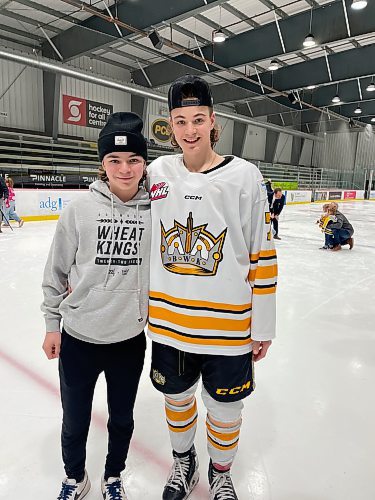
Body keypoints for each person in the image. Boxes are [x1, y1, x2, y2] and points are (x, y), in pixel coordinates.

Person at [147, 75, 277, 500]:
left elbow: (263, 254)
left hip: (228, 329)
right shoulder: (156, 173)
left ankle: (220, 472)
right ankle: (184, 464)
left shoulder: (245, 176)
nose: (189, 131)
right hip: (169, 325)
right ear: (169, 124)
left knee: (225, 409)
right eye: (180, 121)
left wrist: (264, 325)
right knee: (177, 401)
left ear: (212, 120)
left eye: (198, 119)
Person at [41, 112, 151, 500]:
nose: (125, 168)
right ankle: (75, 477)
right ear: (102, 165)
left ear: (145, 163)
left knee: (122, 419)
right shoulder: (79, 210)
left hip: (129, 339)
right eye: (114, 161)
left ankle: (113, 476)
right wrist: (52, 323)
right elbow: (55, 270)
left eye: (134, 160)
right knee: (75, 420)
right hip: (79, 338)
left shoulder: (156, 213)